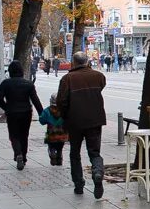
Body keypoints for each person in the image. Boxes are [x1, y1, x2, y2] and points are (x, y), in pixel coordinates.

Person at [57, 50, 107, 199]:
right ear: (87, 62)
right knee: (94, 152)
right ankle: (97, 172)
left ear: (74, 62)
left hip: (75, 121)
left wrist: (64, 117)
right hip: (95, 120)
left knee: (75, 153)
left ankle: (78, 184)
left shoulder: (67, 79)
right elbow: (101, 86)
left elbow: (61, 102)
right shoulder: (98, 76)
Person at [0, 61, 43, 170]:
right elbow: (35, 100)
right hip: (26, 112)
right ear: (21, 71)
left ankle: (18, 154)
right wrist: (41, 114)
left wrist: (6, 108)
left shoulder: (6, 83)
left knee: (14, 135)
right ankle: (24, 157)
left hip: (12, 113)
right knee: (24, 135)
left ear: (10, 71)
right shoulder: (28, 84)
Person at [39, 94, 68, 165]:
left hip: (51, 132)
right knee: (60, 147)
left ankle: (52, 154)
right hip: (62, 132)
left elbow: (42, 120)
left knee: (51, 146)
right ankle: (59, 157)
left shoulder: (47, 111)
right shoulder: (64, 110)